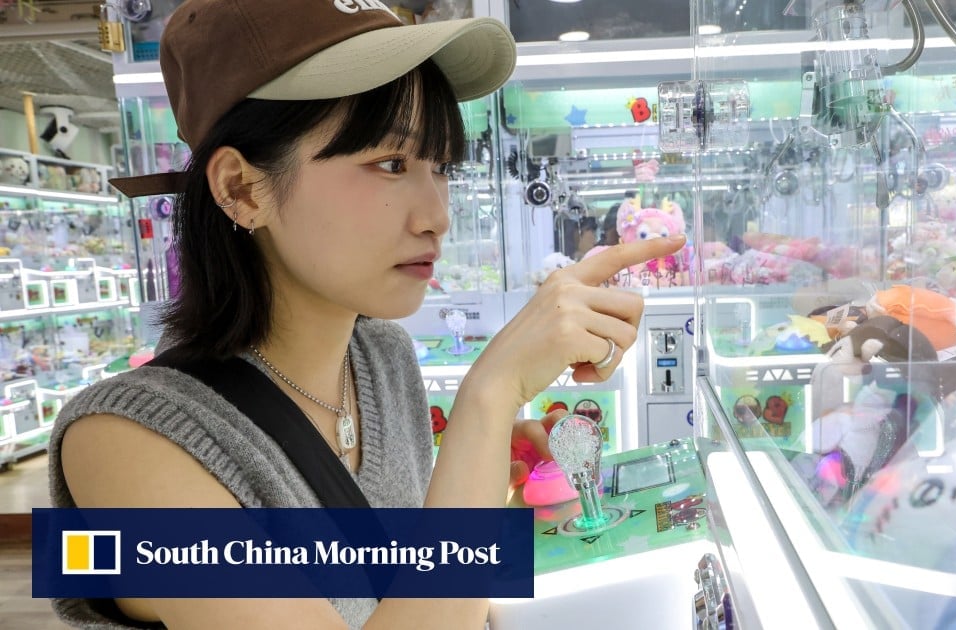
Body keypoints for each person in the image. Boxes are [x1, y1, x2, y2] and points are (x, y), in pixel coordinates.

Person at [47, 1, 684, 629]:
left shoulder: (381, 358)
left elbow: (417, 589)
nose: (436, 215)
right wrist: (488, 399)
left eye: (440, 168)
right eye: (389, 164)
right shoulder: (119, 441)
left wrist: (482, 471)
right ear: (242, 188)